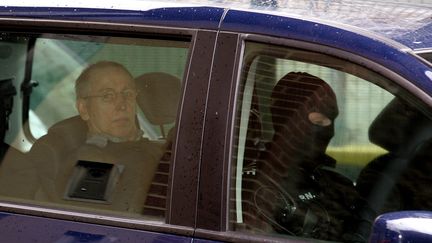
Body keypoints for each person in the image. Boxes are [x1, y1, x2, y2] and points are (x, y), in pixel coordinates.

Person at [31, 61, 164, 214]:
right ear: (84, 109)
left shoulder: (157, 147)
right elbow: (96, 231)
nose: (122, 104)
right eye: (108, 96)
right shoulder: (92, 163)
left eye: (127, 94)